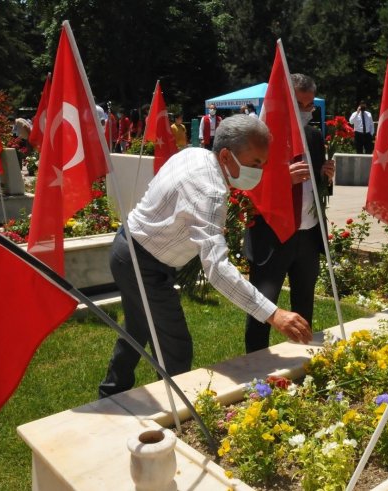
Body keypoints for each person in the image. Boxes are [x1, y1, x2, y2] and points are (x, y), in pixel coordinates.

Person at [98, 115, 312, 398]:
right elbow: (217, 270)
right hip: (143, 263)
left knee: (137, 328)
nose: (259, 171)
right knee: (176, 348)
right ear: (226, 155)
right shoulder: (210, 192)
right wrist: (273, 313)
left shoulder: (194, 154)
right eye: (255, 163)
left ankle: (111, 394)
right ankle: (178, 417)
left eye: (263, 163)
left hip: (129, 248)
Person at [243, 73, 335, 353]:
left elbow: (316, 191)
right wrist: (283, 178)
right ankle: (255, 363)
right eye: (300, 104)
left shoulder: (314, 136)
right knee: (263, 303)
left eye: (310, 106)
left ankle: (301, 359)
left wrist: (325, 177)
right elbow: (247, 184)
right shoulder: (259, 137)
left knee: (304, 303)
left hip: (307, 234)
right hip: (272, 235)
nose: (307, 111)